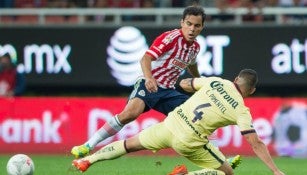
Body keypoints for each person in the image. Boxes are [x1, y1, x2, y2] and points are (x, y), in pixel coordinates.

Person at [72, 69, 285, 175]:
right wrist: (275, 171)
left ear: (236, 78)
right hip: (189, 141)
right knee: (226, 173)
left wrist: (195, 88)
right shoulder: (241, 109)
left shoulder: (216, 82)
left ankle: (87, 161)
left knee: (129, 144)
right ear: (252, 91)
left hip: (170, 125)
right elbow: (255, 142)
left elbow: (184, 83)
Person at [71, 5, 205, 158]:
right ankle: (87, 145)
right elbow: (146, 58)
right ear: (182, 23)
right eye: (189, 24)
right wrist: (149, 78)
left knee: (196, 119)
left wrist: (199, 83)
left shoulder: (195, 48)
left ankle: (218, 159)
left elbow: (192, 66)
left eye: (197, 25)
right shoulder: (171, 38)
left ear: (202, 27)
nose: (192, 29)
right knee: (129, 114)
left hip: (168, 91)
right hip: (150, 83)